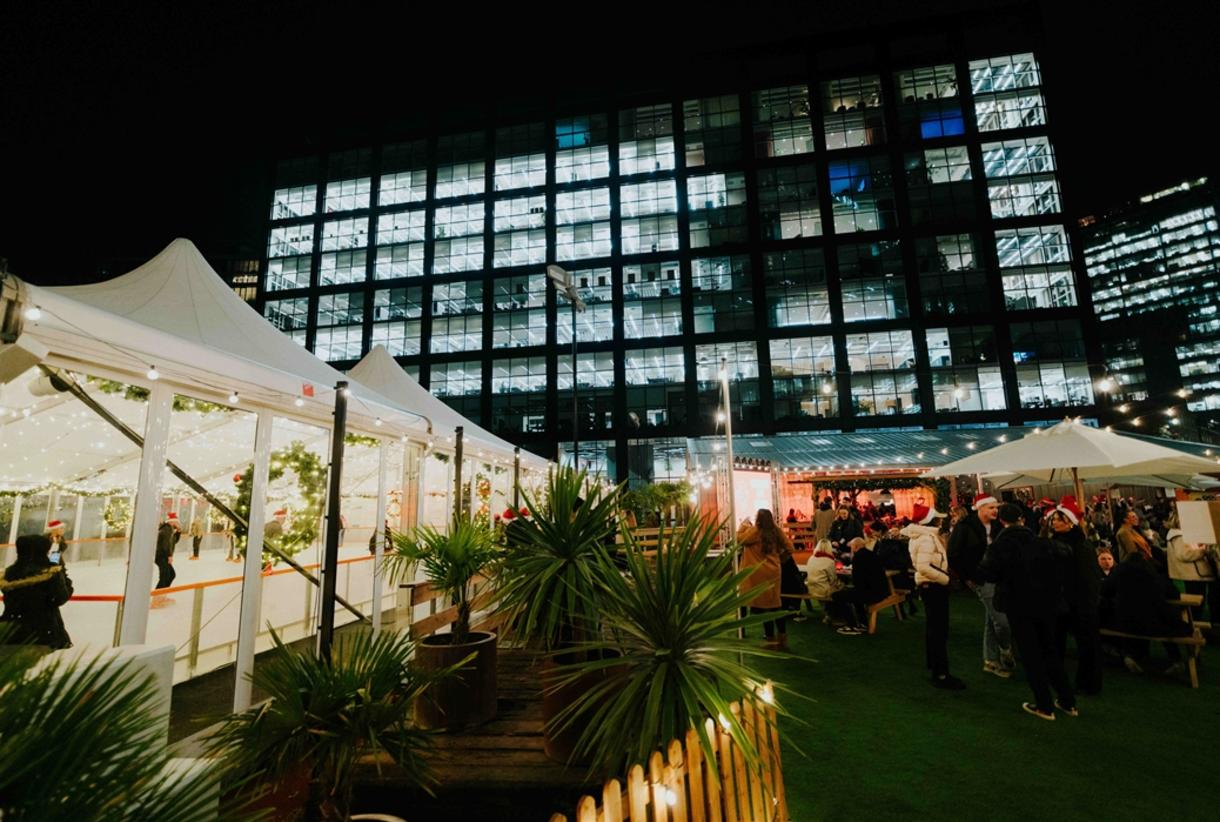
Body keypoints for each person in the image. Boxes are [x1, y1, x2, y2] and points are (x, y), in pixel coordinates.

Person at [981, 504, 1077, 720]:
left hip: (1019, 605)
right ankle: (1067, 701)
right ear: (1022, 519)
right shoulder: (1041, 542)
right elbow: (1063, 557)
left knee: (1031, 655)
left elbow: (989, 573)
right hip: (1046, 604)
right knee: (1049, 650)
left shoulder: (999, 546)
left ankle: (1044, 705)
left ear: (1002, 521)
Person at [1107, 530, 1192, 676]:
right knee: (1171, 621)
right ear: (1146, 553)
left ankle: (1130, 654)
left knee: (1129, 614)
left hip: (1124, 622)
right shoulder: (1153, 573)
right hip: (1152, 624)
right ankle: (1176, 659)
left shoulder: (1119, 571)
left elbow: (1105, 590)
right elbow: (1174, 594)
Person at [949, 492, 1014, 678]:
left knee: (991, 618)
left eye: (996, 508)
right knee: (1001, 620)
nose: (995, 511)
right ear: (981, 508)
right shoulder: (965, 527)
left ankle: (990, 661)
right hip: (980, 578)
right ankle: (1005, 649)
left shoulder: (997, 527)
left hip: (996, 577)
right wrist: (967, 577)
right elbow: (953, 555)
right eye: (991, 507)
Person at [903, 504, 964, 690]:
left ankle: (935, 666)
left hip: (930, 586)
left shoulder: (923, 537)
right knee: (939, 630)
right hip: (934, 587)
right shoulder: (927, 538)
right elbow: (923, 566)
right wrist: (945, 579)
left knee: (934, 628)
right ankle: (941, 673)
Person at [1047, 499, 1103, 696]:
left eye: (1058, 519)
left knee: (1085, 642)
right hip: (1065, 600)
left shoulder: (1078, 546)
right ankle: (1059, 676)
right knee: (1058, 639)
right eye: (1053, 519)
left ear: (1070, 522)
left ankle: (1088, 681)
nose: (1054, 522)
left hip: (1078, 601)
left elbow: (1086, 577)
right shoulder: (1063, 543)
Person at [0, 534, 74, 650]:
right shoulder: (48, 572)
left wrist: (56, 556)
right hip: (43, 631)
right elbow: (61, 596)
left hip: (12, 629)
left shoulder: (10, 573)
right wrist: (58, 561)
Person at [737, 509, 789, 650]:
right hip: (774, 571)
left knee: (763, 607)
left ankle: (770, 639)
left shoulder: (755, 531)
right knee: (775, 604)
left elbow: (740, 539)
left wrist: (742, 525)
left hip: (758, 573)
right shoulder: (776, 531)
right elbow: (789, 546)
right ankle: (783, 638)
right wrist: (780, 558)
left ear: (758, 519)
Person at [829, 536, 890, 635]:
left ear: (855, 547)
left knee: (837, 595)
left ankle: (852, 625)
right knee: (854, 595)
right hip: (882, 590)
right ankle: (862, 623)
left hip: (870, 592)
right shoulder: (872, 554)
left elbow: (858, 580)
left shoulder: (858, 557)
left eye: (852, 547)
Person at [1165, 510, 1218, 623]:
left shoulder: (1178, 533)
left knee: (1201, 600)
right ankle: (1196, 625)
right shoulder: (1178, 535)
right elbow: (1184, 554)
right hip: (1192, 573)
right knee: (1197, 602)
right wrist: (1203, 550)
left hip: (1193, 573)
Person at [152, 513, 181, 607]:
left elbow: (174, 542)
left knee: (171, 574)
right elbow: (165, 545)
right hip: (161, 556)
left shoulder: (169, 530)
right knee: (165, 575)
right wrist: (169, 555)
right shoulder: (166, 530)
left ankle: (162, 596)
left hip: (163, 556)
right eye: (176, 522)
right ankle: (156, 599)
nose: (178, 523)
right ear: (172, 521)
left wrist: (178, 532)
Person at [804, 538, 842, 607]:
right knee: (842, 587)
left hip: (811, 589)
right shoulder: (830, 561)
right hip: (823, 591)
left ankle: (829, 611)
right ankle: (834, 612)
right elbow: (833, 580)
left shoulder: (811, 558)